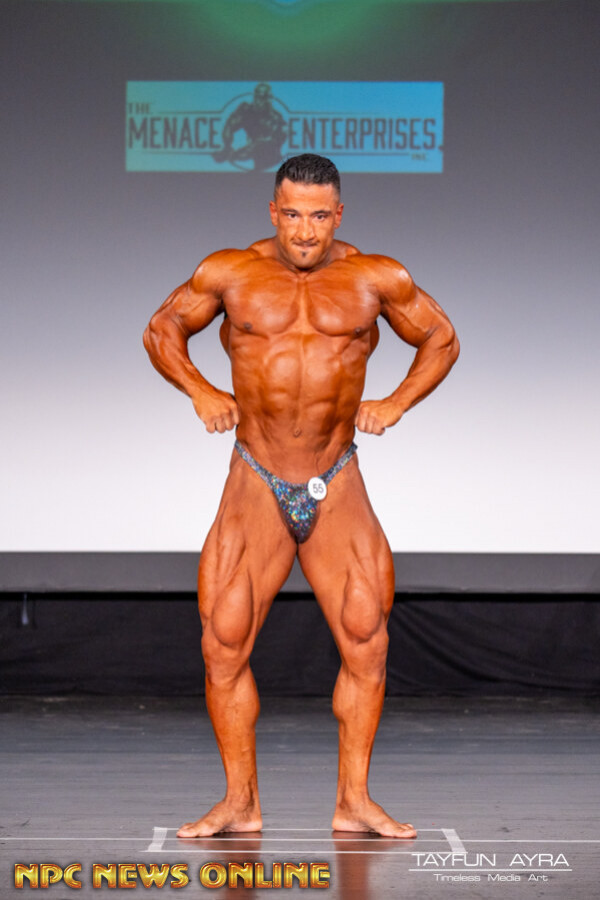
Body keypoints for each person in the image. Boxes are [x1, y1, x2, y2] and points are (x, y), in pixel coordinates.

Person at [143, 153, 459, 839]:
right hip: (256, 475)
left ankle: (355, 801)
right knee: (224, 641)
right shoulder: (230, 271)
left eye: (318, 216)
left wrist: (397, 402)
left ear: (338, 215)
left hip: (334, 473)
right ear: (273, 211)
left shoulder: (377, 277)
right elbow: (161, 329)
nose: (305, 230)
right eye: (292, 214)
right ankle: (239, 802)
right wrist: (201, 390)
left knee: (367, 638)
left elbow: (442, 337)